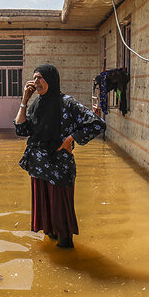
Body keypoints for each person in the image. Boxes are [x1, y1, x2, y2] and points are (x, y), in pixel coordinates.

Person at [14, 63, 106, 248]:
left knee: (61, 220)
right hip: (39, 170)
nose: (36, 81)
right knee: (47, 222)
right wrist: (25, 100)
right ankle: (55, 260)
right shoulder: (36, 105)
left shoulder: (67, 103)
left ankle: (68, 258)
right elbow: (21, 129)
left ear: (51, 79)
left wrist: (70, 139)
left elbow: (97, 124)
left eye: (40, 77)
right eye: (34, 78)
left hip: (59, 169)